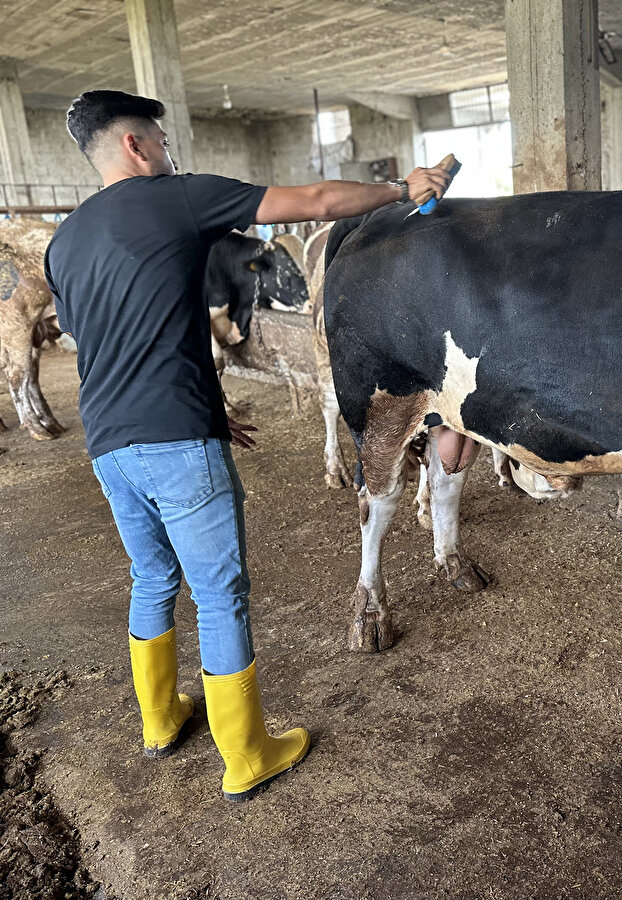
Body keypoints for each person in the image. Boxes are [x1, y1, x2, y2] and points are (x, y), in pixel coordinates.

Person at [44, 90, 449, 802]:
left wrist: (208, 406)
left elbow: (114, 340)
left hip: (111, 442)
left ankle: (162, 720)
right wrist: (402, 187)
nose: (170, 154)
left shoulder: (65, 241)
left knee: (151, 578)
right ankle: (246, 753)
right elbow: (316, 200)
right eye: (162, 142)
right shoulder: (173, 198)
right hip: (177, 441)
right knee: (220, 594)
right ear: (136, 145)